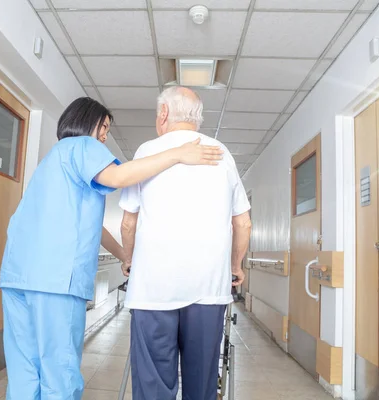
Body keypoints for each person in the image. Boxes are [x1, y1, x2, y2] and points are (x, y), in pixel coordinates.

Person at [0, 96, 223, 400]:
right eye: (103, 127)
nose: (105, 135)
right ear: (85, 121)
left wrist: (125, 256)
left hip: (17, 277)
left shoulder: (53, 159)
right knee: (59, 373)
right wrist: (178, 154)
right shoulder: (83, 146)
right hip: (55, 280)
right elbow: (118, 177)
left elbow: (92, 227)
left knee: (24, 373)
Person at [119, 86, 253, 400]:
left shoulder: (147, 150)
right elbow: (243, 222)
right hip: (208, 290)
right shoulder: (221, 153)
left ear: (163, 114)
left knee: (154, 385)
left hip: (154, 290)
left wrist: (129, 259)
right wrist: (235, 266)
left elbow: (128, 222)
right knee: (202, 384)